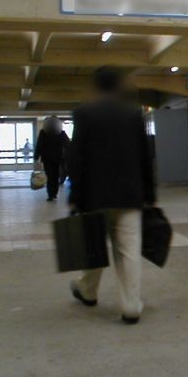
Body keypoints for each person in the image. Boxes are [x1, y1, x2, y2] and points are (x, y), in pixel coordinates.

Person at [67, 67, 156, 324]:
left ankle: (88, 290)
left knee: (94, 246)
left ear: (96, 87)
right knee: (128, 250)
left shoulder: (83, 114)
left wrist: (75, 195)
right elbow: (144, 158)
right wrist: (150, 194)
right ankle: (130, 306)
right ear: (118, 87)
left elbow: (77, 159)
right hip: (129, 195)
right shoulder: (133, 114)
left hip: (95, 196)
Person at [34, 116, 70, 202]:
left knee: (50, 176)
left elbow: (39, 145)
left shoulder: (43, 133)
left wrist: (36, 157)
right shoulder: (61, 133)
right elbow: (68, 145)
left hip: (47, 159)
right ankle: (54, 193)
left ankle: (51, 194)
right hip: (58, 158)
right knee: (55, 175)